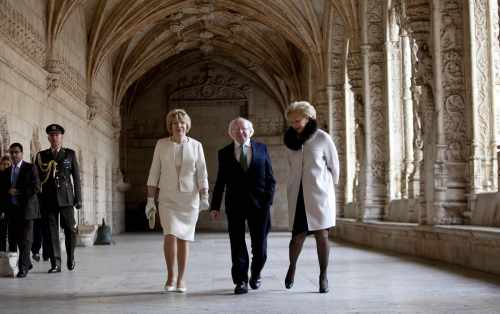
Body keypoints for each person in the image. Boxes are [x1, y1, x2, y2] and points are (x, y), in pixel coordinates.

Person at [210, 117, 276, 295]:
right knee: (237, 243)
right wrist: (214, 206)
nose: (241, 132)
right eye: (236, 129)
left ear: (251, 131)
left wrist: (268, 201)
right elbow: (220, 182)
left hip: (260, 205)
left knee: (260, 249)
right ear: (230, 133)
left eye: (244, 128)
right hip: (235, 204)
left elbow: (270, 178)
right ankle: (240, 281)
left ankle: (256, 274)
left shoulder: (262, 149)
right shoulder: (224, 153)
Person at [146, 109, 209, 293]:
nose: (179, 126)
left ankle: (182, 279)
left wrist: (204, 196)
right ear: (170, 126)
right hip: (167, 198)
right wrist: (150, 200)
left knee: (184, 239)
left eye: (182, 123)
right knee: (170, 235)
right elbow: (154, 172)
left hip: (189, 199)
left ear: (187, 125)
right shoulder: (161, 144)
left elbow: (202, 172)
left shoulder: (197, 145)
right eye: (175, 123)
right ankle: (170, 276)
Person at [283, 101, 339, 294]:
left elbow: (334, 166)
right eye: (291, 121)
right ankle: (292, 267)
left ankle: (323, 276)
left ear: (309, 118)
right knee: (297, 236)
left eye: (298, 120)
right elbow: (292, 167)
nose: (294, 125)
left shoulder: (322, 138)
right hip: (297, 193)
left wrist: (327, 188)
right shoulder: (290, 141)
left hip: (319, 194)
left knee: (322, 235)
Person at [35, 124, 81, 273]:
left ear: (61, 137)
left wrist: (78, 198)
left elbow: (76, 178)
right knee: (51, 232)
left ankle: (71, 256)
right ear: (48, 137)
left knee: (70, 230)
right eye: (52, 135)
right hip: (48, 199)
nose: (54, 138)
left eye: (57, 135)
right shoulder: (42, 156)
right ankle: (56, 264)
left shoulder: (70, 154)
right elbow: (36, 179)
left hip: (66, 198)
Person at [0, 143, 40, 278]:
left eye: (16, 152)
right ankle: (26, 261)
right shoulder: (6, 172)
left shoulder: (30, 168)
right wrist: (7, 192)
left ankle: (23, 268)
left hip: (27, 210)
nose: (13, 155)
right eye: (11, 152)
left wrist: (18, 192)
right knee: (14, 240)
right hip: (12, 211)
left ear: (22, 153)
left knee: (26, 240)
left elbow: (36, 187)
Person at [0, 156, 12, 252]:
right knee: (2, 232)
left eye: (8, 164)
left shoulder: (12, 176)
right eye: (4, 164)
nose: (6, 166)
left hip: (10, 208)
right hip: (2, 209)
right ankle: (2, 250)